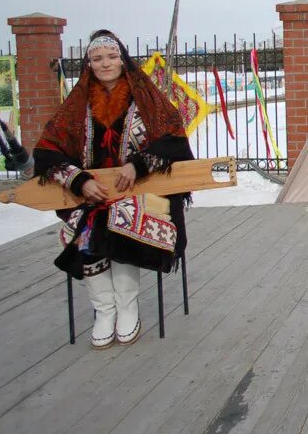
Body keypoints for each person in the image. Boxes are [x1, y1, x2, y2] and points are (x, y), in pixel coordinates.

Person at [34, 30, 193, 348]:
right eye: (97, 59)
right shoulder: (77, 105)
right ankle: (104, 311)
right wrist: (79, 180)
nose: (105, 64)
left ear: (123, 59)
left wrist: (138, 164)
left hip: (142, 191)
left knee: (118, 221)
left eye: (111, 56)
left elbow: (175, 139)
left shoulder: (146, 98)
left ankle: (127, 307)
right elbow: (46, 150)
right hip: (90, 195)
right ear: (89, 64)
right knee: (83, 228)